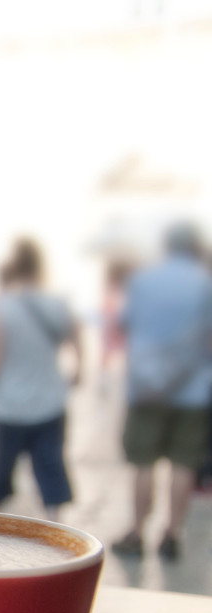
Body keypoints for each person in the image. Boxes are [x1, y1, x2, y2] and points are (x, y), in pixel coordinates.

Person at [111, 223, 212, 560]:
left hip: (146, 386)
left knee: (143, 462)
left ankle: (137, 532)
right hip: (192, 388)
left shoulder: (143, 280)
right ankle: (171, 534)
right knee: (183, 463)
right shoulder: (205, 283)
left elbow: (124, 322)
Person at [0, 239, 82, 521]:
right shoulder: (57, 303)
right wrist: (78, 370)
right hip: (49, 400)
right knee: (50, 463)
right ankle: (56, 523)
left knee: (2, 465)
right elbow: (77, 340)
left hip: (9, 403)